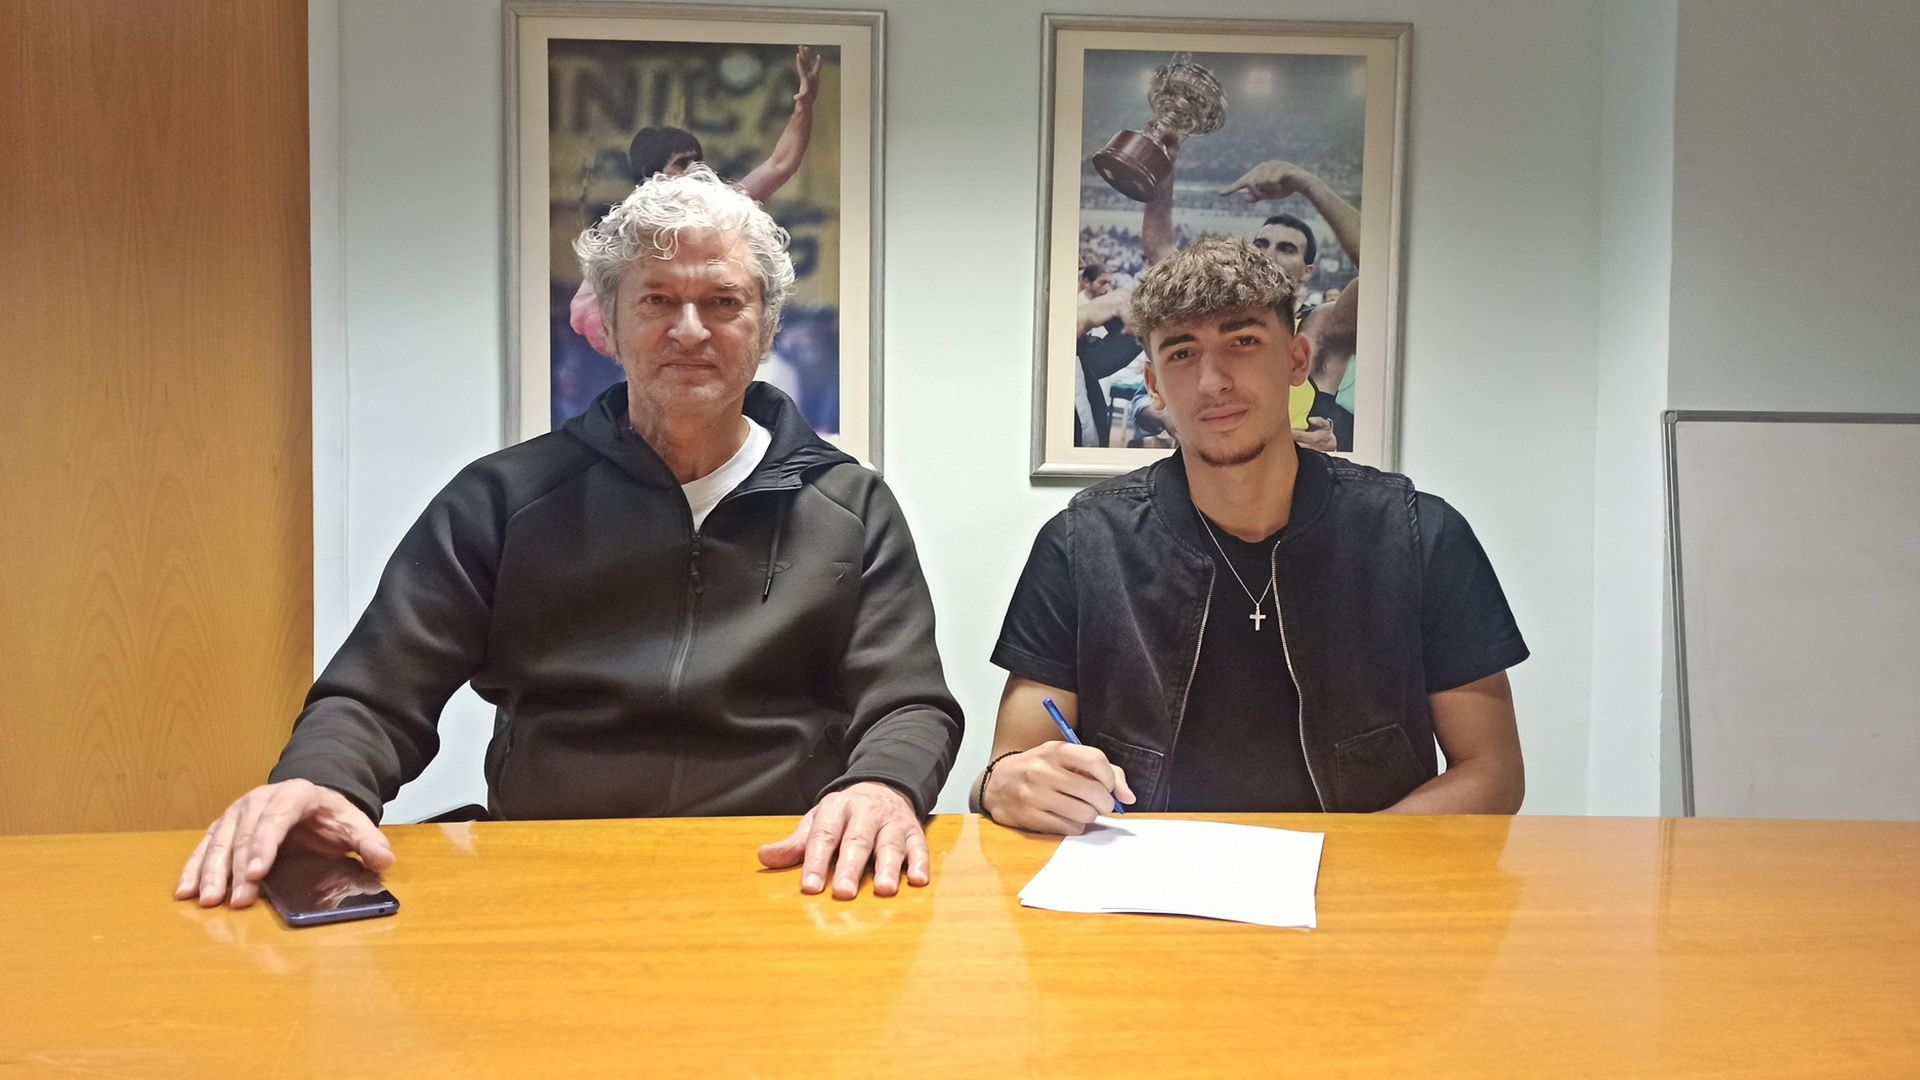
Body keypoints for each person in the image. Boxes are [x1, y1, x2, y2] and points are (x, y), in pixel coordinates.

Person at [178, 165, 961, 906]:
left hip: (781, 869)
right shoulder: (503, 501)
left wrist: (881, 786)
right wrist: (319, 781)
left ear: (766, 329)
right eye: (657, 301)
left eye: (724, 302)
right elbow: (376, 695)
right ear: (608, 326)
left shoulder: (849, 505)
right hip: (548, 872)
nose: (691, 330)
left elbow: (909, 703)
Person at [974, 237, 1526, 833]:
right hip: (1147, 874)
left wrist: (1351, 865)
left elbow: (1491, 771)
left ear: (1296, 360)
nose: (1213, 381)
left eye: (1242, 342)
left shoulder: (1419, 534)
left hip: (1364, 878)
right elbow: (1009, 766)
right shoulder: (1082, 543)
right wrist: (1004, 784)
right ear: (1154, 385)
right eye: (1182, 353)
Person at [571, 46, 825, 357]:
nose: (694, 170)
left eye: (697, 161)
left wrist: (803, 106)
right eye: (681, 163)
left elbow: (780, 164)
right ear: (654, 172)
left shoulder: (725, 207)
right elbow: (582, 312)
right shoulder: (626, 233)